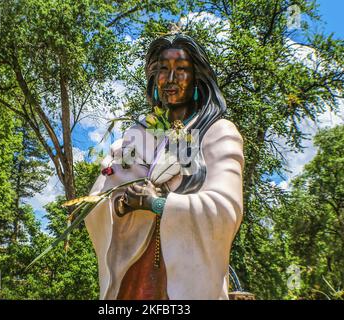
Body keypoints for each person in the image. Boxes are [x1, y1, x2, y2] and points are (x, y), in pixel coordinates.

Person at [85, 34, 244, 300]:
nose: (170, 80)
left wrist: (158, 205)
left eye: (180, 70)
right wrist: (122, 204)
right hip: (134, 277)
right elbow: (97, 201)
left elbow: (225, 211)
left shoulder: (218, 133)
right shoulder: (137, 135)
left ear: (197, 78)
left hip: (187, 279)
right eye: (162, 70)